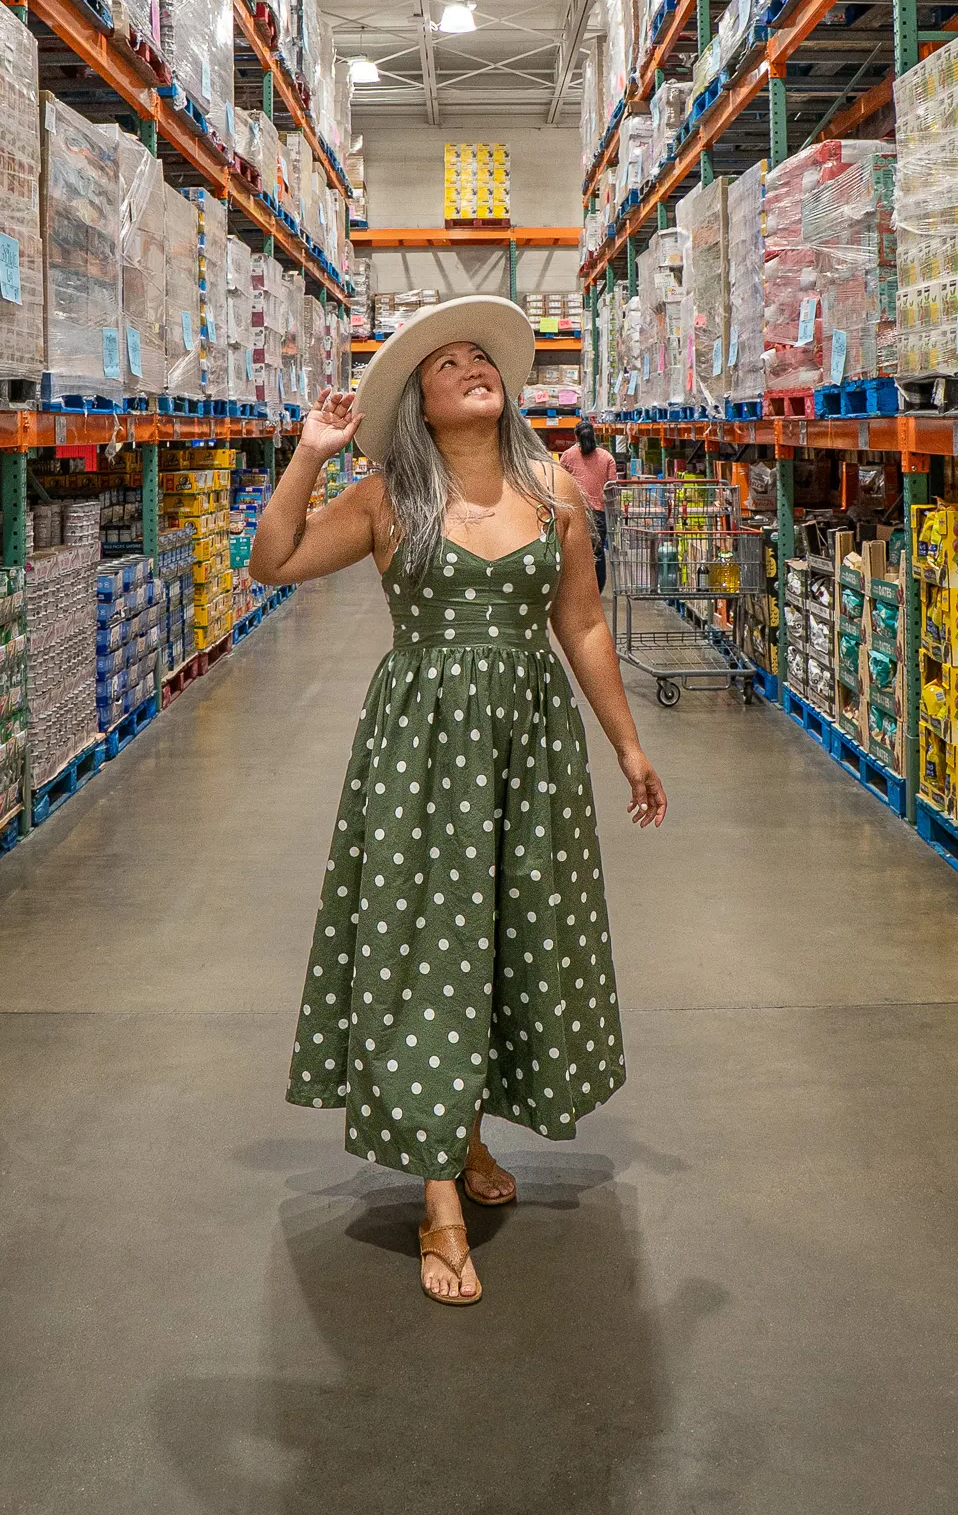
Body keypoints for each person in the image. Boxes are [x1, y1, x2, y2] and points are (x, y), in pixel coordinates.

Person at [250, 295, 666, 1309]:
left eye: (485, 356)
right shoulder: (388, 497)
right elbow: (273, 559)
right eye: (451, 362)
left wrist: (628, 741)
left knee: (509, 937)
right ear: (422, 405)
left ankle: (466, 1127)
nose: (475, 366)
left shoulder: (554, 487)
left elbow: (585, 625)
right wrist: (309, 453)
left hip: (530, 743)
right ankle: (438, 1196)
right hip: (422, 747)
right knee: (428, 943)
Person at [559, 418, 618, 591]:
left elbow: (559, 481)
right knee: (597, 553)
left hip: (575, 512)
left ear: (576, 436)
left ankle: (577, 590)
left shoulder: (568, 456)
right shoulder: (606, 457)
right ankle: (596, 591)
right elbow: (612, 488)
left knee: (575, 553)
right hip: (599, 514)